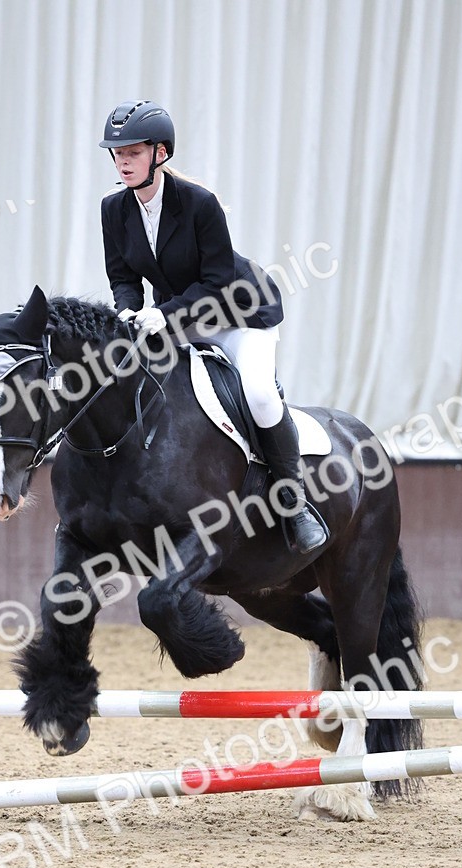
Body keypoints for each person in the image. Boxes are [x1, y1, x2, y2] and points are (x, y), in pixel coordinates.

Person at [99, 99, 327, 554]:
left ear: (160, 153)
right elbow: (123, 278)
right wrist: (127, 311)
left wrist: (164, 315)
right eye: (118, 153)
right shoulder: (113, 209)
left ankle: (293, 501)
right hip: (180, 316)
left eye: (133, 152)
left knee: (259, 395)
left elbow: (219, 282)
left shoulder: (199, 204)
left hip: (240, 313)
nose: (123, 161)